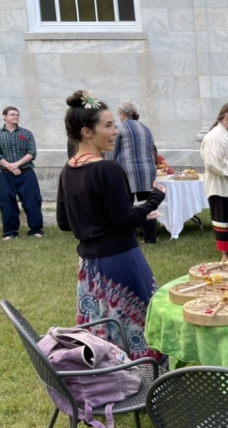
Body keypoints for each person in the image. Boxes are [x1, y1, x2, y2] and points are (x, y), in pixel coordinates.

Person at [56, 90, 167, 362]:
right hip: (122, 260)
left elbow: (63, 222)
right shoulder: (108, 170)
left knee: (102, 326)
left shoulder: (68, 170)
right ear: (86, 132)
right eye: (108, 125)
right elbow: (125, 220)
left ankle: (110, 374)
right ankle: (147, 376)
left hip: (90, 267)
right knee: (141, 322)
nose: (115, 131)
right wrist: (154, 198)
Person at [0, 106, 45, 239]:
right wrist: (9, 167)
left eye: (17, 115)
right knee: (6, 202)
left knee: (32, 201)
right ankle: (10, 232)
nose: (16, 117)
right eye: (12, 114)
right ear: (4, 116)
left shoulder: (26, 133)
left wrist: (17, 164)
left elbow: (31, 152)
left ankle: (36, 230)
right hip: (4, 174)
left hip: (26, 173)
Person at [200, 103, 228, 260]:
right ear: (226, 116)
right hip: (221, 187)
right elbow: (214, 163)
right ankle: (225, 254)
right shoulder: (214, 136)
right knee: (224, 220)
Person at [108, 102, 159, 243]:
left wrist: (109, 167)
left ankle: (130, 237)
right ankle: (151, 238)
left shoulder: (119, 128)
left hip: (127, 170)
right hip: (147, 170)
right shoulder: (146, 129)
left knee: (126, 205)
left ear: (122, 115)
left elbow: (112, 152)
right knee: (148, 204)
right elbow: (152, 150)